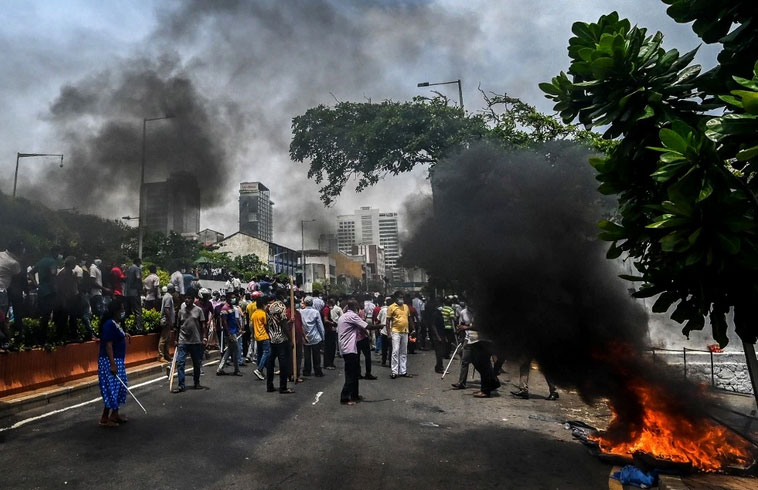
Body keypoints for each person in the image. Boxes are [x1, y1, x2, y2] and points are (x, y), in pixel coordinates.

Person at [97, 300, 130, 427]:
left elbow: (116, 337)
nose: (122, 312)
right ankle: (105, 418)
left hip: (118, 360)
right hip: (110, 360)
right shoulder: (109, 324)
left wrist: (124, 335)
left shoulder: (116, 324)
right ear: (115, 311)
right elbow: (108, 345)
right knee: (112, 388)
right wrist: (112, 364)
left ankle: (115, 413)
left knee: (119, 387)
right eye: (121, 309)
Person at [172, 291, 206, 393]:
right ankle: (181, 385)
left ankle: (196, 382)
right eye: (186, 298)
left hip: (195, 341)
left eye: (189, 298)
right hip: (183, 341)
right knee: (181, 363)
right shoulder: (181, 312)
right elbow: (177, 327)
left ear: (193, 299)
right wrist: (175, 339)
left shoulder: (199, 310)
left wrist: (204, 337)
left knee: (196, 363)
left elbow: (203, 325)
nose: (187, 300)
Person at [337, 299, 369, 405]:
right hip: (349, 348)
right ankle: (345, 397)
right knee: (351, 374)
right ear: (354, 307)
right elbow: (367, 326)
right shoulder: (352, 316)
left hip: (347, 348)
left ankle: (354, 395)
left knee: (354, 373)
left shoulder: (344, 316)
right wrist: (381, 326)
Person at [265, 295, 294, 394]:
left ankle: (269, 385)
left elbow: (267, 324)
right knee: (283, 363)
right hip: (281, 338)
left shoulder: (267, 308)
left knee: (271, 362)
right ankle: (283, 387)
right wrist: (290, 339)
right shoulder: (280, 306)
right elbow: (283, 323)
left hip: (272, 338)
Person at [31, 246, 60, 345]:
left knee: (42, 315)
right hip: (50, 292)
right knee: (48, 316)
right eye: (58, 252)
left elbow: (30, 273)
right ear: (55, 252)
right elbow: (53, 274)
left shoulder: (41, 261)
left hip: (41, 291)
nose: (58, 255)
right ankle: (43, 339)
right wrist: (56, 288)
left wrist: (36, 284)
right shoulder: (52, 262)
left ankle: (38, 338)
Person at [54, 256, 81, 342]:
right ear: (70, 264)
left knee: (72, 318)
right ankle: (62, 337)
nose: (75, 264)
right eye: (74, 263)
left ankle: (73, 336)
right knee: (63, 319)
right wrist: (64, 300)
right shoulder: (63, 273)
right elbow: (60, 288)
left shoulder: (70, 273)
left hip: (71, 299)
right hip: (65, 300)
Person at [386, 293, 412, 379]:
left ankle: (403, 371)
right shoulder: (391, 307)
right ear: (396, 298)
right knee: (395, 351)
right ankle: (394, 371)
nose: (401, 299)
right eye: (400, 297)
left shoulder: (406, 307)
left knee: (403, 352)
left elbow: (409, 318)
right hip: (395, 331)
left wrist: (413, 329)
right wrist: (388, 333)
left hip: (405, 331)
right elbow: (388, 321)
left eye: (402, 297)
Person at [216, 292, 243, 377]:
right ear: (227, 298)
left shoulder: (232, 307)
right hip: (230, 332)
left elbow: (234, 319)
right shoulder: (225, 308)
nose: (234, 299)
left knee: (229, 350)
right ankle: (236, 370)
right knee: (235, 351)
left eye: (234, 297)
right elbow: (224, 322)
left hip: (234, 331)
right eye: (232, 298)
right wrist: (229, 334)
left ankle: (220, 368)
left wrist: (239, 328)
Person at [299, 297, 325, 377]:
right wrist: (323, 336)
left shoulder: (301, 312)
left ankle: (307, 371)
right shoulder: (316, 312)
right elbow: (320, 325)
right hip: (315, 336)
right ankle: (317, 371)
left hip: (305, 336)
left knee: (307, 356)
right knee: (316, 356)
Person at [250, 296, 269, 380]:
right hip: (264, 336)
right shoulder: (263, 313)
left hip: (257, 336)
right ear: (263, 305)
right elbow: (266, 325)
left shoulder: (254, 314)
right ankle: (259, 369)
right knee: (267, 352)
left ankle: (260, 369)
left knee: (260, 354)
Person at [125, 257, 143, 332]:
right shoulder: (137, 268)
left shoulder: (129, 269)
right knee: (138, 311)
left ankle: (127, 328)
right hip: (135, 293)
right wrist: (141, 287)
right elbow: (138, 277)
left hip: (127, 293)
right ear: (138, 262)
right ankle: (139, 328)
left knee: (128, 310)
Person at [158, 285, 175, 361]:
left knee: (168, 339)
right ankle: (161, 355)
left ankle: (166, 355)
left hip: (167, 320)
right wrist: (170, 320)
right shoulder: (168, 297)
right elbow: (166, 309)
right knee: (164, 338)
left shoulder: (167, 296)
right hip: (166, 321)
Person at [323, 298, 341, 369]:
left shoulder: (327, 309)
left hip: (330, 330)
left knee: (331, 347)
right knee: (329, 348)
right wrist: (332, 323)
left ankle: (330, 363)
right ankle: (328, 364)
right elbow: (325, 320)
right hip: (329, 330)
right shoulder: (326, 309)